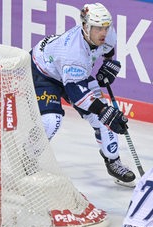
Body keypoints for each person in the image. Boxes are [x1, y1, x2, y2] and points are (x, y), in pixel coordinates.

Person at [29, 2, 136, 187]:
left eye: (105, 27)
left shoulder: (107, 34)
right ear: (86, 27)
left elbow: (108, 49)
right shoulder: (73, 53)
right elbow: (77, 95)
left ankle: (113, 161)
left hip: (73, 74)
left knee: (105, 119)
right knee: (51, 120)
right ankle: (26, 159)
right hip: (44, 73)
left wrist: (108, 63)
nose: (103, 33)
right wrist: (103, 110)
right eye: (97, 29)